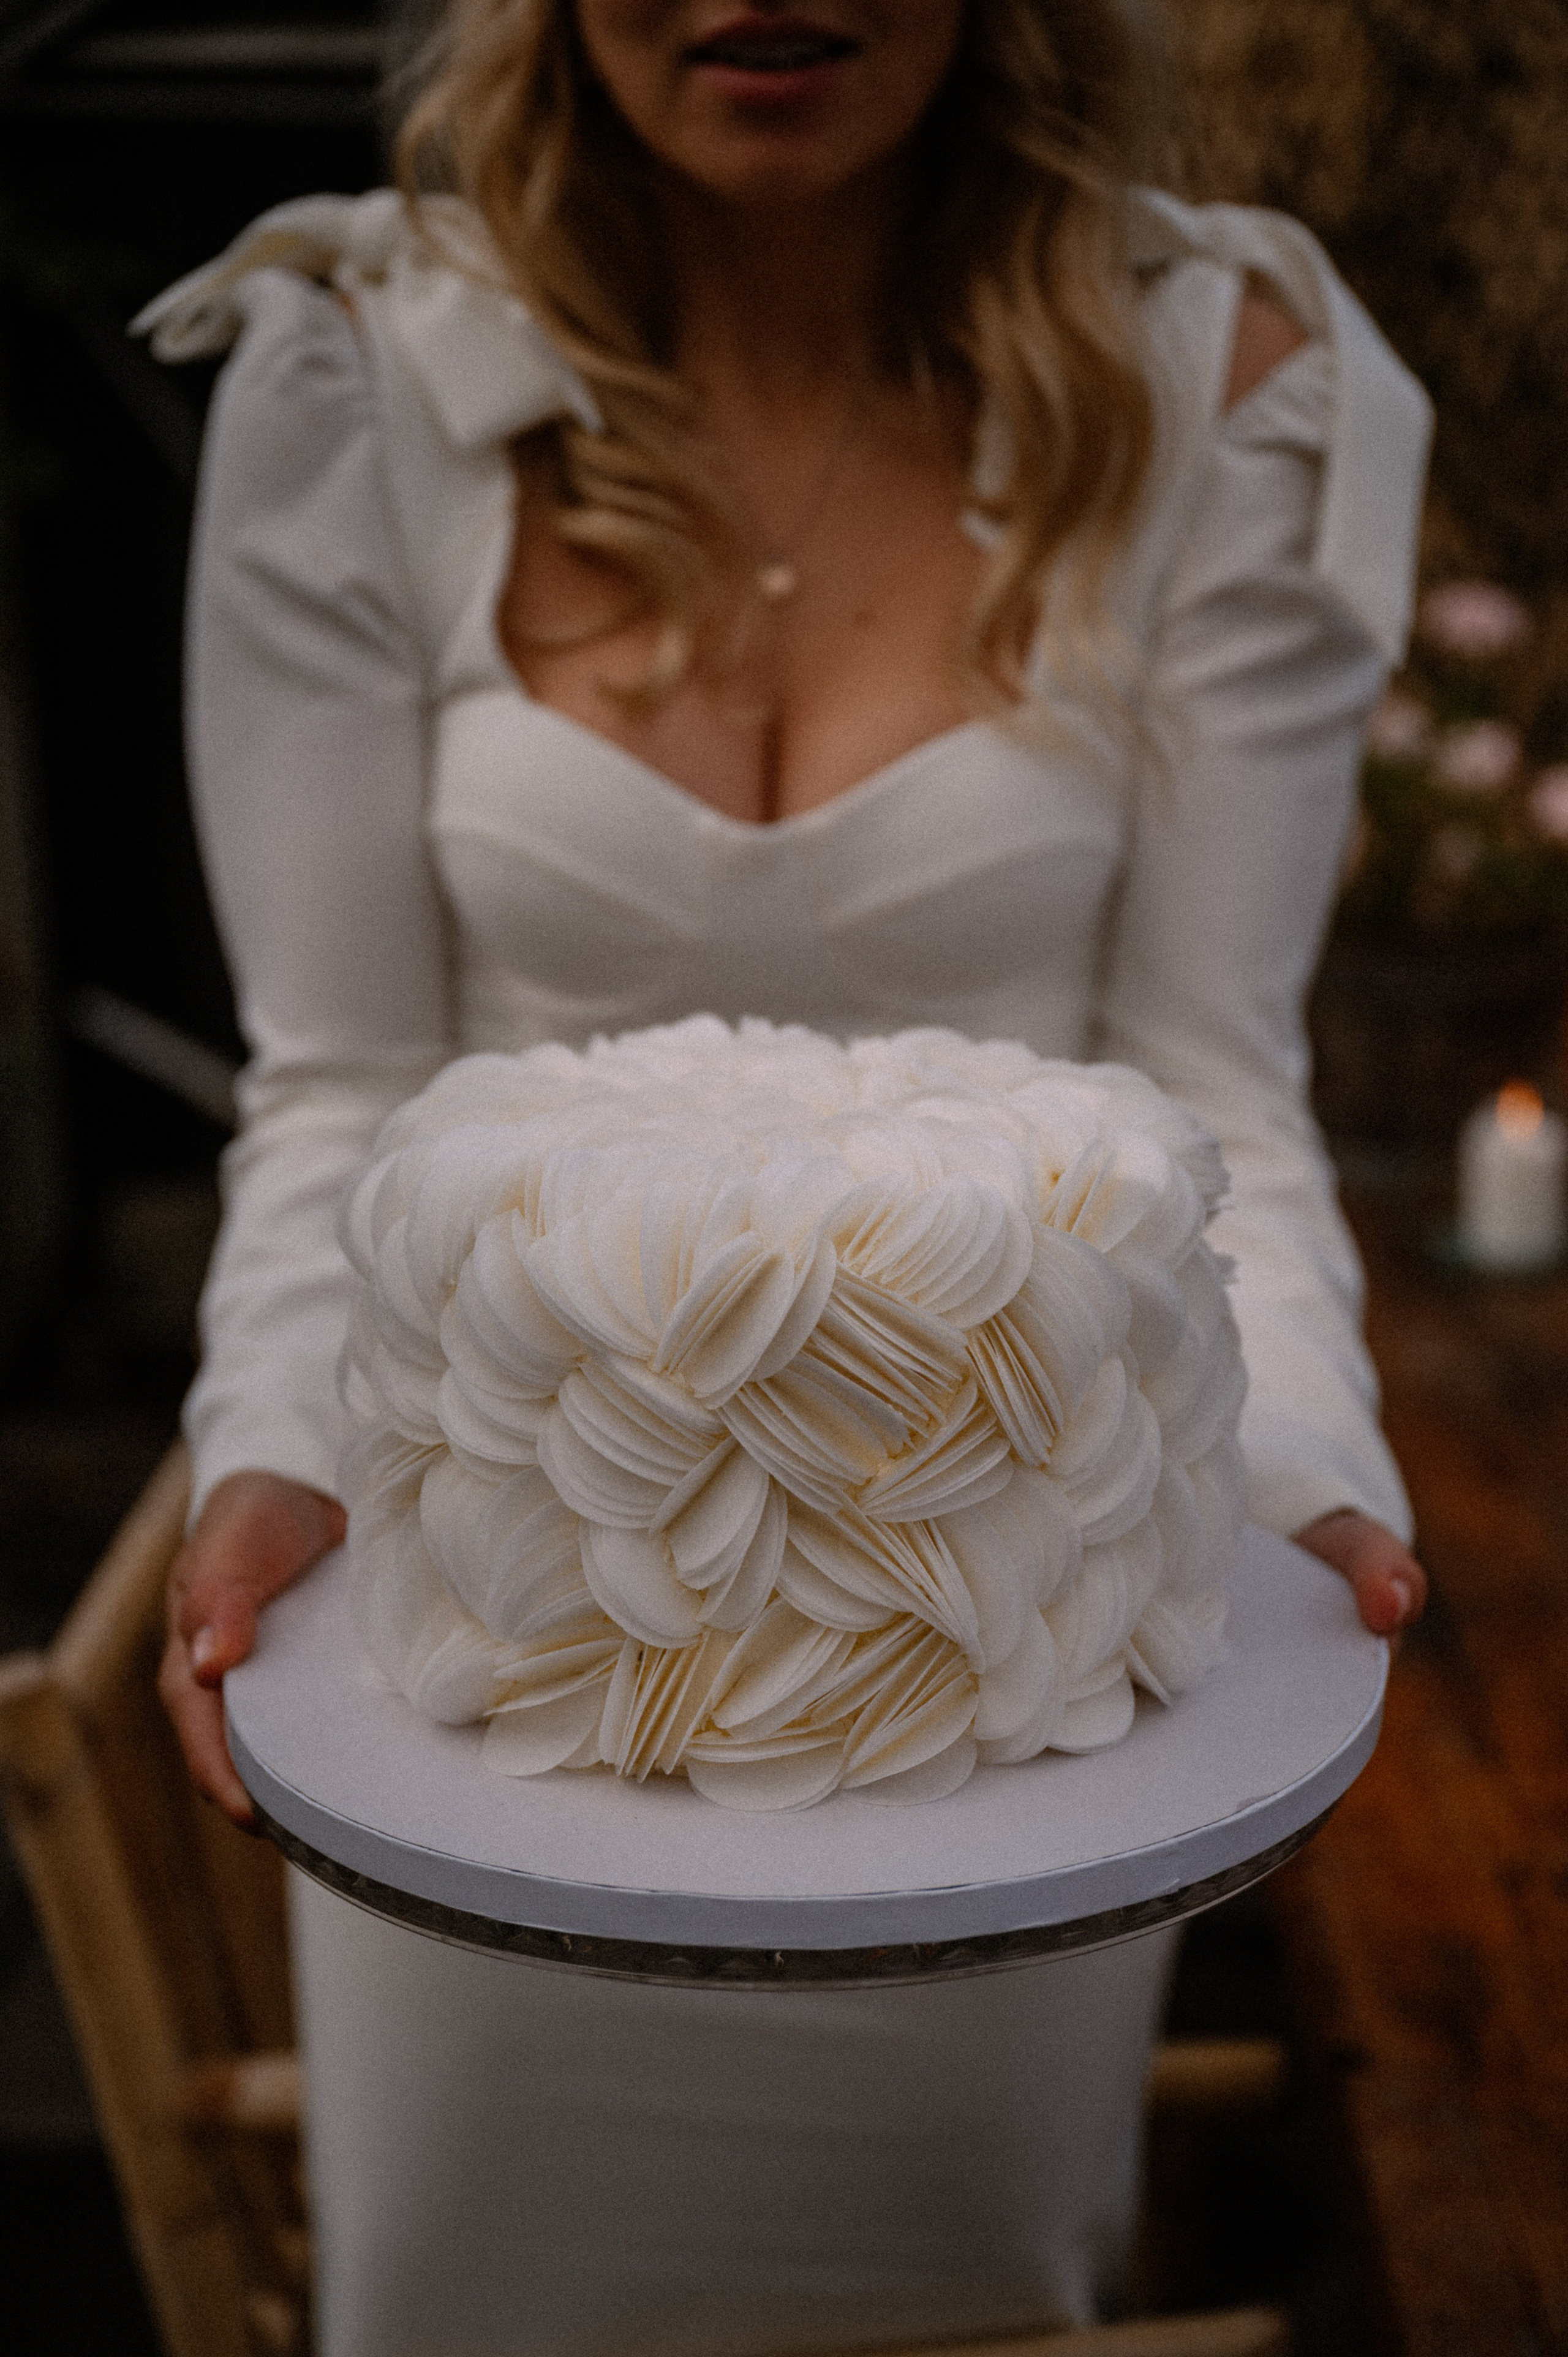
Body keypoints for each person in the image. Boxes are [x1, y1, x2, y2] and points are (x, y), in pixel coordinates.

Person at [140, 0, 1431, 2348]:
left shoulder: (1223, 378)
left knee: (973, 2305)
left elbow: (1217, 1087)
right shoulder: (354, 374)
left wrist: (1306, 1475)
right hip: (507, 1677)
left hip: (1005, 1675)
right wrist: (268, 1445)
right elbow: (335, 1082)